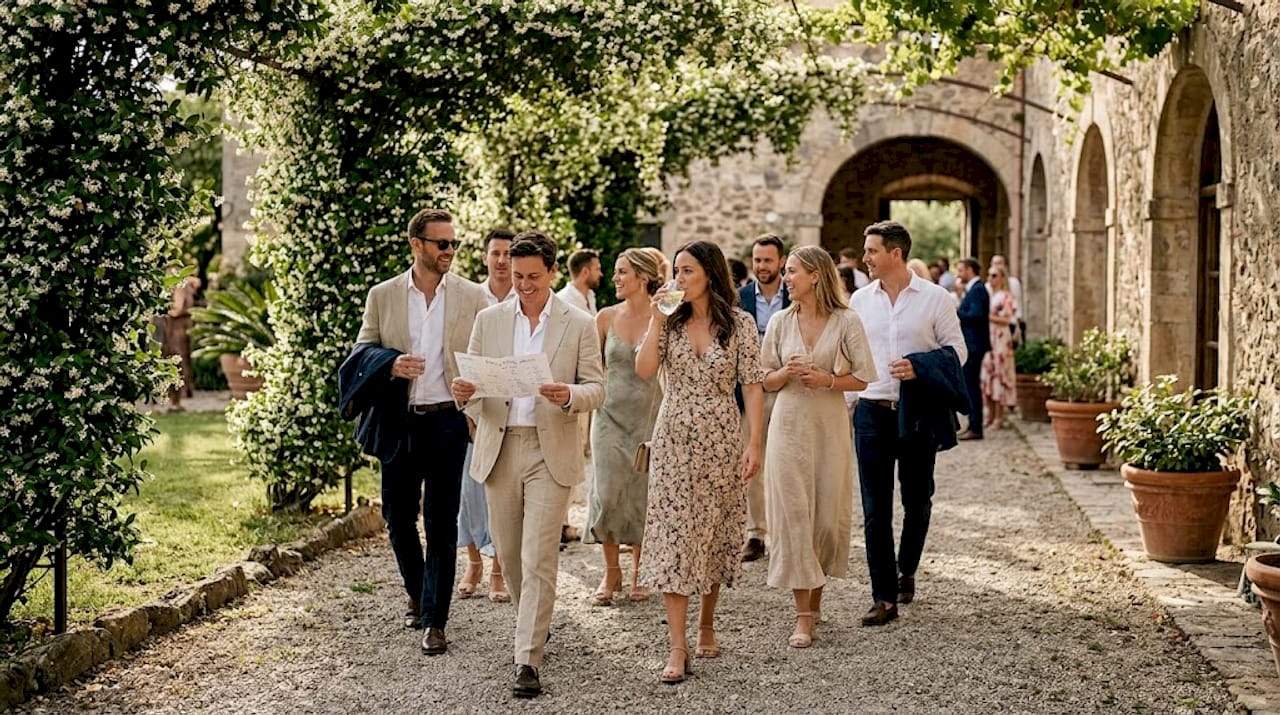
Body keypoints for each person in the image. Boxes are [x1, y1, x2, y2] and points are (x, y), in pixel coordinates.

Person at [451, 231, 605, 699]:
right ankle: (533, 620)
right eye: (517, 277)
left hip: (549, 448)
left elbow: (597, 388)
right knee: (511, 555)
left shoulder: (578, 323)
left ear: (553, 273)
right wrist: (465, 396)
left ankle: (527, 658)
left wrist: (569, 396)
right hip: (500, 448)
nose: (524, 285)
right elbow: (475, 386)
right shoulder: (489, 319)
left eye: (533, 277)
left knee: (539, 556)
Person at [351, 208, 488, 655]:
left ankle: (434, 618)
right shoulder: (383, 294)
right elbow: (362, 349)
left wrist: (474, 405)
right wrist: (389, 365)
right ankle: (416, 590)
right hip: (400, 421)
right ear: (416, 244)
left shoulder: (471, 296)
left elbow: (487, 356)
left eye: (454, 244)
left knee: (442, 522)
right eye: (441, 244)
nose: (450, 251)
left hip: (449, 420)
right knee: (397, 518)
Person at [635, 240, 764, 684]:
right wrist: (655, 320)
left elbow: (752, 385)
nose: (678, 278)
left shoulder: (741, 325)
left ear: (709, 273)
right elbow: (644, 370)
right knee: (674, 535)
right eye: (675, 271)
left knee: (711, 531)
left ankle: (707, 623)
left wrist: (755, 444)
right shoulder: (669, 322)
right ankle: (677, 646)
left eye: (687, 270)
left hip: (721, 436)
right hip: (672, 436)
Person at [850, 220, 967, 626]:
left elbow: (958, 352)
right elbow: (851, 355)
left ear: (895, 254)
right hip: (871, 412)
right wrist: (848, 404)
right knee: (874, 508)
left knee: (917, 500)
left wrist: (919, 367)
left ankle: (907, 569)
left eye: (871, 251)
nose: (865, 258)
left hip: (917, 415)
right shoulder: (859, 301)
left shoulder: (935, 299)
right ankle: (883, 596)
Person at [760, 246, 876, 648]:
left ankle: (816, 599)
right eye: (786, 272)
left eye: (791, 272)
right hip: (788, 426)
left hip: (828, 427)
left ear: (815, 275)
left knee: (825, 518)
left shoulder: (847, 321)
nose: (785, 278)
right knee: (794, 517)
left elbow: (863, 379)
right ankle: (802, 616)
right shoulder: (778, 322)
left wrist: (828, 380)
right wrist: (783, 373)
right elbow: (763, 379)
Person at [585, 247, 667, 605]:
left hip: (650, 418)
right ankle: (610, 573)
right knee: (607, 493)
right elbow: (590, 370)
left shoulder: (665, 316)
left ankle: (638, 571)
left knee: (643, 494)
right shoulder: (604, 317)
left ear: (644, 278)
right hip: (608, 419)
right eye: (615, 272)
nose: (615, 278)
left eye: (622, 273)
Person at [456, 229, 513, 603]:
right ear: (485, 257)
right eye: (496, 253)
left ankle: (498, 568)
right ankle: (473, 561)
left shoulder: (528, 298)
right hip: (473, 403)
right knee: (469, 489)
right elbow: (461, 353)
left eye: (509, 253)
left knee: (503, 490)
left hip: (513, 405)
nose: (503, 260)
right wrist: (468, 410)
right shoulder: (470, 298)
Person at [737, 234, 789, 562]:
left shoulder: (796, 296)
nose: (762, 266)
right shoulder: (739, 297)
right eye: (757, 260)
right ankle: (756, 533)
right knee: (751, 461)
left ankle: (784, 531)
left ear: (781, 261)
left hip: (786, 389)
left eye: (768, 260)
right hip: (747, 390)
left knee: (784, 462)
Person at [955, 258, 991, 441]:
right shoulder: (974, 289)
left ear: (970, 270)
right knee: (970, 386)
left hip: (974, 345)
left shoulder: (977, 290)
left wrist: (957, 311)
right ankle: (973, 424)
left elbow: (976, 315)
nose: (959, 274)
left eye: (961, 270)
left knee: (972, 387)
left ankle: (976, 427)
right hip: (973, 344)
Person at [980, 264, 1018, 430]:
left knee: (1000, 374)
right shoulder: (987, 294)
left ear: (1002, 277)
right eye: (989, 275)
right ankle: (989, 414)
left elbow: (1007, 319)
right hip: (988, 337)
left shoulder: (1006, 296)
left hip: (1001, 338)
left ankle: (999, 417)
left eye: (994, 275)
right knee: (987, 374)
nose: (991, 278)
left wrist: (988, 317)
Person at [162, 275, 199, 410]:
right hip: (183, 328)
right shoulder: (186, 288)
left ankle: (176, 399)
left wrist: (163, 310)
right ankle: (184, 392)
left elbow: (177, 310)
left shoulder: (180, 288)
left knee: (176, 359)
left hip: (176, 329)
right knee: (184, 359)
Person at [988, 254, 1025, 341]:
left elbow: (1017, 304)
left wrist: (1018, 324)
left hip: (1006, 324)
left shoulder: (1013, 283)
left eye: (1000, 263)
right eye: (995, 263)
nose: (997, 265)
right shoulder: (987, 286)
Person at [557, 248, 601, 317]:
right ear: (585, 272)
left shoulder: (590, 296)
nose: (600, 274)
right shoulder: (563, 301)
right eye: (597, 269)